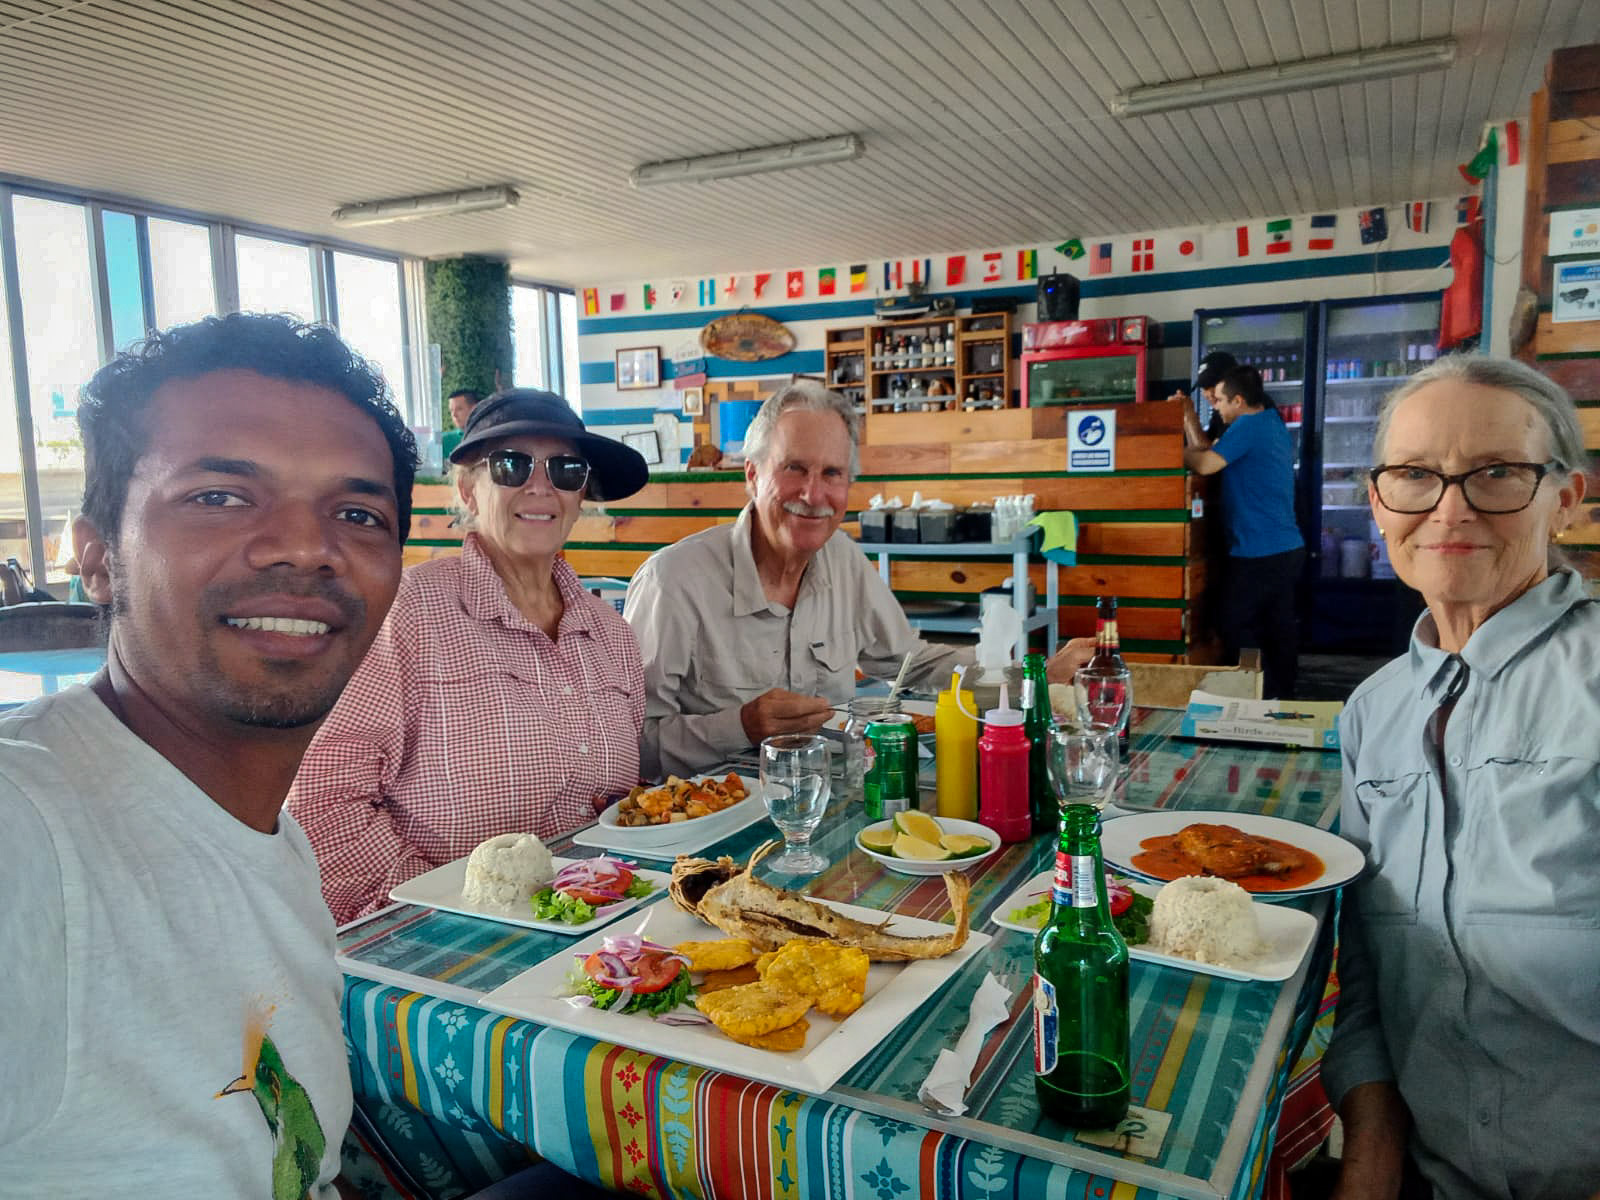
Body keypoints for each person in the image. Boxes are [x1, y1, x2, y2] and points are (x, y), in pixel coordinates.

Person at [0, 313, 416, 1195]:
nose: (307, 546)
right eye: (220, 496)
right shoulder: (29, 830)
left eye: (357, 513)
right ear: (98, 558)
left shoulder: (266, 836)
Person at [1322, 354, 1595, 1199]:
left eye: (1496, 474)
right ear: (1378, 501)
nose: (1450, 508)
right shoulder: (1373, 711)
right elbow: (1364, 966)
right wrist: (1368, 1162)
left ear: (1566, 500)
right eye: (1414, 476)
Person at [289, 388, 650, 924]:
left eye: (566, 470)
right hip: (448, 940)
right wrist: (452, 908)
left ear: (581, 495)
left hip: (594, 925)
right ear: (468, 489)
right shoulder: (408, 613)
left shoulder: (613, 636)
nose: (541, 486)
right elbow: (322, 802)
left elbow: (617, 800)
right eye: (511, 465)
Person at [624, 380, 1091, 779]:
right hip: (706, 828)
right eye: (794, 468)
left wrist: (1032, 678)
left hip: (835, 805)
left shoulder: (842, 558)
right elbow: (630, 745)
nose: (814, 494)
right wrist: (740, 726)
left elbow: (917, 664)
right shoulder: (674, 581)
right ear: (752, 474)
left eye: (832, 473)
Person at [1180, 364, 1304, 697]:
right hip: (1284, 546)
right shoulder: (1270, 422)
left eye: (1219, 401)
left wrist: (1167, 453)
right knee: (1277, 626)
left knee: (1233, 622)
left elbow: (1206, 463)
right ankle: (1278, 693)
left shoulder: (1248, 426)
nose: (1216, 407)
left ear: (1237, 400)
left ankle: (1256, 690)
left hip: (1259, 551)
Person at [441, 387, 482, 459]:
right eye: (451, 410)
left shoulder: (488, 435)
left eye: (459, 409)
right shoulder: (444, 441)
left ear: (474, 409)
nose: (454, 415)